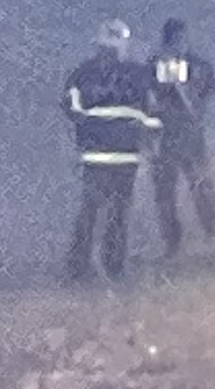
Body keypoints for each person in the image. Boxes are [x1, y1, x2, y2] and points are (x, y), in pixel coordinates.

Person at [64, 20, 161, 282]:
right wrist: (151, 144)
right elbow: (153, 114)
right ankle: (114, 266)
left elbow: (72, 109)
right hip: (126, 156)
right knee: (119, 214)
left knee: (89, 211)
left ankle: (78, 268)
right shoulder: (139, 75)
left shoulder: (82, 74)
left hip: (94, 155)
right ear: (124, 44)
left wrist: (90, 130)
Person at [148, 18, 215, 258]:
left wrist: (188, 94)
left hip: (191, 137)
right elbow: (148, 99)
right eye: (175, 39)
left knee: (201, 190)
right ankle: (172, 243)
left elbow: (209, 93)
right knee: (165, 194)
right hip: (166, 138)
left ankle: (214, 240)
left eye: (181, 39)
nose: (179, 44)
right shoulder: (154, 66)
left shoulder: (199, 66)